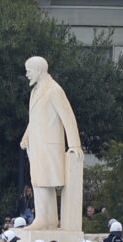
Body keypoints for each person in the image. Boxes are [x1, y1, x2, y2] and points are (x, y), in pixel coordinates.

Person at [20, 56, 83, 231]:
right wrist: (26, 136)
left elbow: (68, 117)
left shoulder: (54, 90)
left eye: (28, 70)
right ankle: (48, 220)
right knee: (39, 181)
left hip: (49, 145)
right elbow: (34, 118)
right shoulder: (35, 91)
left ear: (38, 70)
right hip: (37, 145)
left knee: (44, 182)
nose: (26, 74)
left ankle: (43, 219)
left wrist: (74, 145)